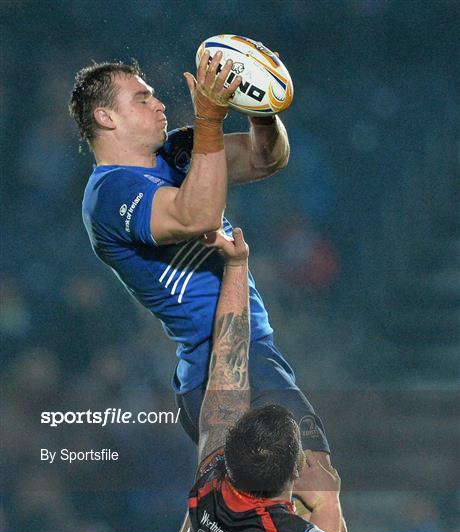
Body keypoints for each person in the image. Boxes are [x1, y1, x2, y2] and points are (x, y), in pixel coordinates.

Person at [68, 51, 332, 487]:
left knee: (271, 508)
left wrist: (260, 105)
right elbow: (198, 216)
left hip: (253, 352)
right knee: (316, 489)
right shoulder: (109, 195)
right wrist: (209, 122)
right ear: (106, 117)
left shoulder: (177, 149)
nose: (159, 104)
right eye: (142, 98)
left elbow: (266, 158)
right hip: (218, 369)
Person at [186, 228, 345, 532]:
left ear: (227, 457)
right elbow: (228, 359)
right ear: (295, 473)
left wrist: (235, 265)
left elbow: (227, 361)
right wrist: (327, 505)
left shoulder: (208, 489)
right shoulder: (284, 530)